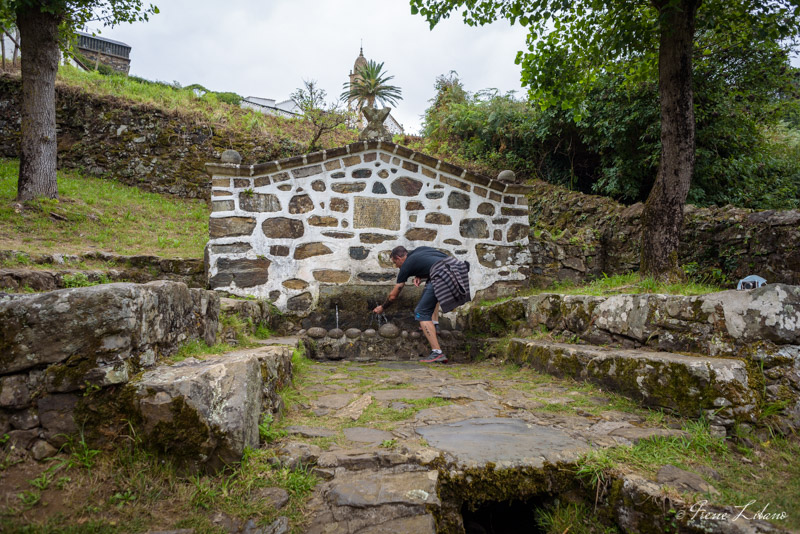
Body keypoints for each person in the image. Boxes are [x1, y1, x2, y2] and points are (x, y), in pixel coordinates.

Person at [372, 245, 470, 364]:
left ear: (398, 258)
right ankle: (435, 325)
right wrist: (421, 274)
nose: (396, 266)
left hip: (443, 274)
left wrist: (382, 307)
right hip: (456, 269)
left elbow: (393, 295)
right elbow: (432, 260)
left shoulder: (406, 266)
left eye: (395, 263)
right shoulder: (418, 251)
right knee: (431, 291)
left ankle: (437, 353)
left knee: (421, 312)